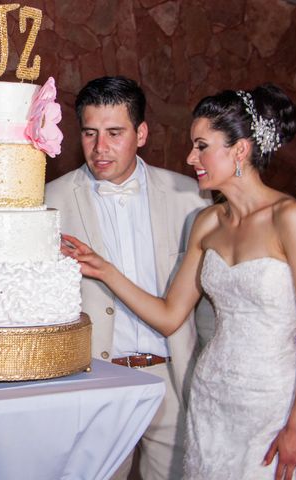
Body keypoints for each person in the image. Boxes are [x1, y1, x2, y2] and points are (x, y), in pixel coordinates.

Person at [62, 84, 296, 479]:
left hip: (271, 401)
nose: (190, 157)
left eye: (201, 146)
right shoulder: (207, 222)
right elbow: (169, 316)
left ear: (239, 151)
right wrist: (105, 269)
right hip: (210, 397)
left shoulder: (290, 217)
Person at [45, 76, 214, 480]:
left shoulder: (190, 196)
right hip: (94, 379)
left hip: (173, 378)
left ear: (141, 134)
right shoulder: (50, 200)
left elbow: (208, 302)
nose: (100, 148)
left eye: (114, 133)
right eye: (90, 133)